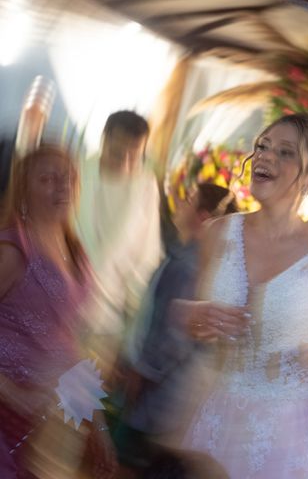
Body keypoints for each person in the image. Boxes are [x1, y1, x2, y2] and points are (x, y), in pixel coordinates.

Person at [179, 113, 308, 477]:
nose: (266, 157)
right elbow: (198, 323)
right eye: (263, 147)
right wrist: (194, 318)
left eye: (286, 153)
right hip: (220, 421)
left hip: (297, 438)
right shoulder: (216, 235)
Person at [0, 145, 117, 478]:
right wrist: (15, 396)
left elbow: (71, 342)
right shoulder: (12, 249)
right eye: (48, 179)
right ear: (25, 188)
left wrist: (98, 424)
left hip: (49, 420)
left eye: (68, 178)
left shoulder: (74, 248)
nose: (62, 187)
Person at [112, 184, 237, 474]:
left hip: (160, 401)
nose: (181, 203)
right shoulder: (203, 263)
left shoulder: (188, 265)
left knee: (126, 467)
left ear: (203, 217)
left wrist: (139, 373)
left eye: (190, 199)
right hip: (173, 401)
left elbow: (171, 337)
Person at [75, 111, 162, 369]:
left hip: (109, 316)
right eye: (117, 151)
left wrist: (137, 320)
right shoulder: (75, 172)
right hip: (58, 305)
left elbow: (148, 252)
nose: (125, 160)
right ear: (104, 140)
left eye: (134, 154)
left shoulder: (146, 185)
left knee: (83, 402)